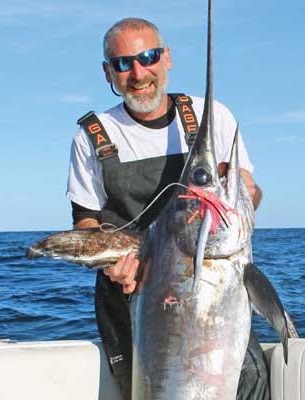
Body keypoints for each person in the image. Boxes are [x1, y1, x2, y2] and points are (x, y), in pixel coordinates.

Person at [66, 17, 267, 400]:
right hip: (131, 298)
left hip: (214, 286)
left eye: (149, 56)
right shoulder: (91, 136)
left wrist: (245, 195)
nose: (139, 73)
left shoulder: (212, 114)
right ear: (109, 71)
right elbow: (85, 221)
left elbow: (250, 194)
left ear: (167, 58)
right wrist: (112, 262)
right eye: (124, 63)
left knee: (250, 376)